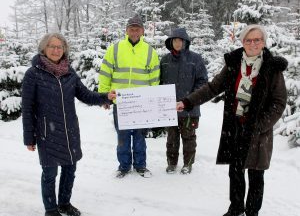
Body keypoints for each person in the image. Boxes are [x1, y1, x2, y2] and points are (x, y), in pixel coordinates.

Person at [176, 24, 287, 216]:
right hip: (235, 127)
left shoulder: (272, 67)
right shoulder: (234, 63)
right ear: (242, 42)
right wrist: (187, 102)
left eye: (257, 40)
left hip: (258, 132)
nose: (253, 44)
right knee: (235, 172)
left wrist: (260, 125)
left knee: (255, 174)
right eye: (248, 40)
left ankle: (252, 211)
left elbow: (279, 102)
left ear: (263, 42)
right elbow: (212, 88)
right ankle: (236, 208)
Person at [22, 33, 116, 216]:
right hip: (47, 133)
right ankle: (51, 209)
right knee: (49, 174)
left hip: (69, 131)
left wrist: (105, 97)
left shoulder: (69, 72)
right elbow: (27, 108)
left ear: (64, 49)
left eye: (60, 47)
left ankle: (64, 203)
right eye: (52, 46)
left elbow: (85, 95)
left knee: (70, 169)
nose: (56, 50)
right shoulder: (33, 74)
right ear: (44, 49)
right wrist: (29, 137)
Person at [98, 15, 160, 178]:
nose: (134, 31)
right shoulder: (115, 49)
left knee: (140, 135)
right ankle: (124, 166)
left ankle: (140, 165)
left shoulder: (149, 51)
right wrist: (105, 96)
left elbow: (154, 77)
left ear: (142, 31)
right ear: (126, 31)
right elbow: (105, 73)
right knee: (123, 136)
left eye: (137, 28)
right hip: (122, 102)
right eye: (131, 28)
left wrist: (153, 99)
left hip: (142, 103)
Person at [160, 28, 208, 174]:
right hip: (170, 108)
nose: (177, 43)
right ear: (170, 42)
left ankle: (188, 163)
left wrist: (190, 99)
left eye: (180, 40)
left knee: (189, 138)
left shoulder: (195, 59)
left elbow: (202, 81)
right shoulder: (165, 60)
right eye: (174, 40)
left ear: (185, 42)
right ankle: (171, 163)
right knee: (172, 138)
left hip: (189, 108)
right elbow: (160, 81)